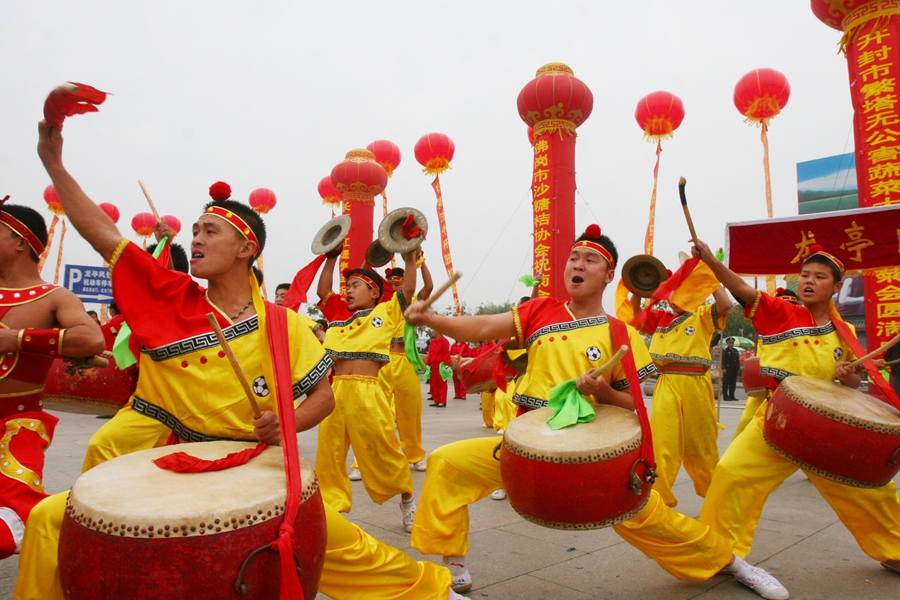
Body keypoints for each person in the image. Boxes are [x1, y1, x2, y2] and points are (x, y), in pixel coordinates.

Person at [14, 120, 459, 600]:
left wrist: (284, 423)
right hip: (152, 462)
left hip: (247, 464)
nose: (197, 240)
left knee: (327, 539)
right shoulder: (171, 301)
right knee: (47, 520)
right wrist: (54, 164)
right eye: (194, 231)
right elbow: (104, 236)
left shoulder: (282, 325)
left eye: (210, 231)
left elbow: (323, 397)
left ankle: (431, 591)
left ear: (247, 248)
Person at [405, 224, 789, 599]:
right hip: (528, 443)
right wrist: (431, 319)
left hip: (593, 455)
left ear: (608, 275)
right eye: (573, 258)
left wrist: (603, 389)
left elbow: (634, 407)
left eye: (590, 259)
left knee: (653, 520)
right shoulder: (538, 312)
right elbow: (483, 325)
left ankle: (734, 564)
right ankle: (453, 562)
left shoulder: (619, 333)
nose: (578, 264)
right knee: (448, 464)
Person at [692, 237, 900, 580]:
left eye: (819, 276)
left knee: (869, 490)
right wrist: (711, 263)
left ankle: (894, 549)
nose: (808, 281)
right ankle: (722, 552)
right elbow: (743, 288)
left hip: (826, 429)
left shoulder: (845, 333)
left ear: (835, 286)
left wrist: (846, 375)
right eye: (804, 274)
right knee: (732, 475)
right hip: (778, 418)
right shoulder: (781, 313)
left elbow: (850, 386)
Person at [0, 198, 104, 559]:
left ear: (20, 241)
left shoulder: (54, 298)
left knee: (8, 526)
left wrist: (16, 339)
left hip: (18, 424)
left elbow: (92, 340)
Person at [315, 249, 419, 531]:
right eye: (346, 287)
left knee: (382, 448)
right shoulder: (336, 313)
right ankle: (330, 508)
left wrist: (410, 258)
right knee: (329, 453)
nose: (348, 291)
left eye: (355, 286)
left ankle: (408, 500)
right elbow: (323, 289)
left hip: (367, 391)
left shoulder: (385, 311)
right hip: (335, 392)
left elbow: (409, 287)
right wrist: (331, 257)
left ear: (374, 292)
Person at [631, 279, 731, 508]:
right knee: (663, 440)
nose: (675, 299)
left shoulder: (702, 315)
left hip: (696, 383)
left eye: (682, 294)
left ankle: (715, 494)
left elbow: (724, 304)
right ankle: (657, 497)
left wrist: (709, 276)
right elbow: (635, 313)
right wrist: (637, 285)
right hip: (667, 382)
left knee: (702, 443)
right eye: (672, 294)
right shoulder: (660, 319)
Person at [381, 263, 432, 470]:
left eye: (398, 283)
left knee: (409, 413)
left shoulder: (412, 303)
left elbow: (428, 287)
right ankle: (366, 460)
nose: (394, 286)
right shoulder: (378, 306)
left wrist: (421, 261)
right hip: (381, 362)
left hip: (405, 361)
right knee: (376, 412)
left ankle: (415, 455)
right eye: (390, 283)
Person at [427, 331, 451, 407]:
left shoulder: (444, 341)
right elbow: (430, 352)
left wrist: (447, 364)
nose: (432, 331)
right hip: (433, 364)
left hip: (441, 364)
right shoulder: (433, 341)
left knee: (442, 383)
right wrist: (428, 363)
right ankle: (436, 400)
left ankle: (442, 401)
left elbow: (446, 352)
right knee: (434, 382)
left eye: (434, 329)